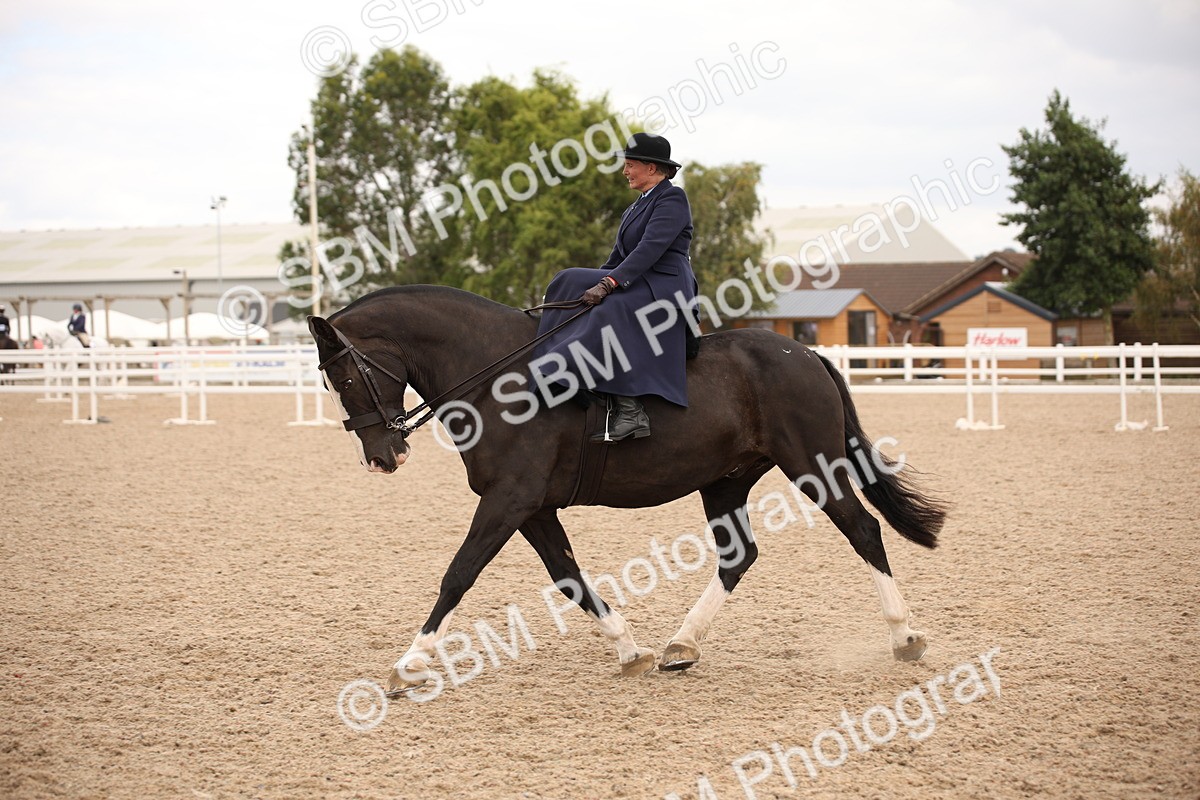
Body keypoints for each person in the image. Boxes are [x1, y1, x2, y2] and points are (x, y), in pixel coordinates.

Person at [533, 133, 697, 443]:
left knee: (612, 307)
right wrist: (597, 279)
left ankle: (631, 411)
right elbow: (618, 258)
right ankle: (559, 372)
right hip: (639, 278)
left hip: (664, 285)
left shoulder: (672, 198)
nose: (625, 171)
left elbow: (650, 249)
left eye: (630, 165)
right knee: (567, 278)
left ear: (651, 168)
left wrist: (608, 284)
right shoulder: (635, 207)